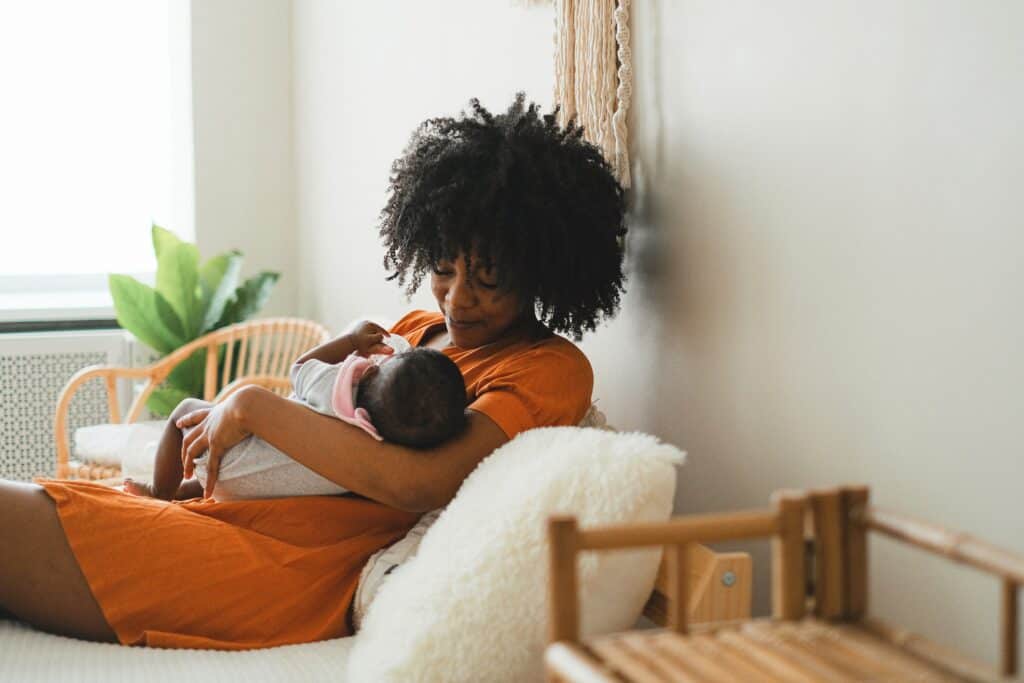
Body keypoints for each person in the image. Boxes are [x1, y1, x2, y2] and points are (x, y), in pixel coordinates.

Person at [0, 93, 626, 648]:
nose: (457, 299)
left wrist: (250, 404)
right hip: (224, 507)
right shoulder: (411, 331)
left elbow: (419, 485)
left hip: (289, 562)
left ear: (543, 273)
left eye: (489, 279)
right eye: (443, 267)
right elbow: (321, 398)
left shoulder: (548, 368)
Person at [124, 334, 468, 502]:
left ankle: (160, 492)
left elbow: (299, 367)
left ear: (368, 373)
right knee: (263, 460)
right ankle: (189, 491)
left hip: (228, 458)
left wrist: (349, 340)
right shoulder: (376, 446)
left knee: (184, 413)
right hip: (268, 490)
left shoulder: (334, 385)